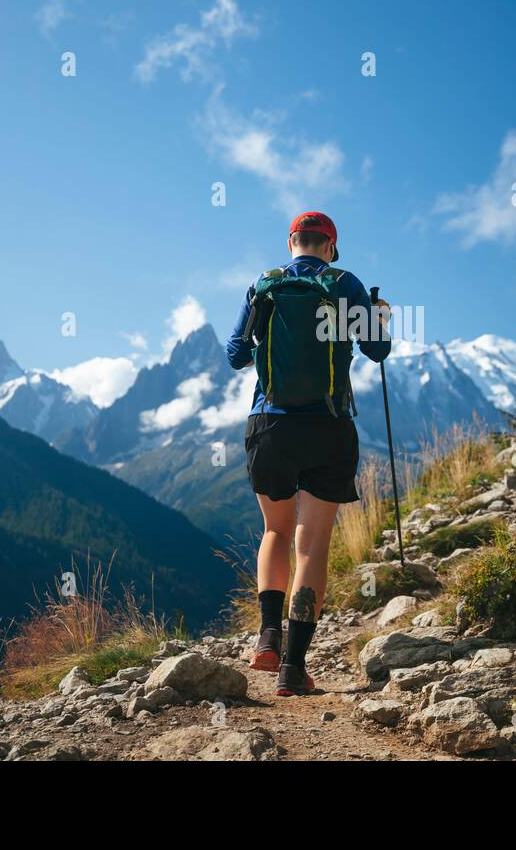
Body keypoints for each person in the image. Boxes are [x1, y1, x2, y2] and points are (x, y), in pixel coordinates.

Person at [225, 211, 391, 696]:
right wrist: (379, 317)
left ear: (292, 242)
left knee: (275, 530)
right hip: (328, 427)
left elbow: (235, 354)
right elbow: (377, 351)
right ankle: (293, 669)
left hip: (269, 424)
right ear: (330, 247)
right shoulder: (345, 284)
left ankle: (267, 638)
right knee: (311, 544)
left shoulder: (264, 285)